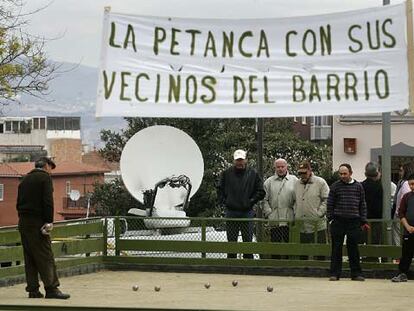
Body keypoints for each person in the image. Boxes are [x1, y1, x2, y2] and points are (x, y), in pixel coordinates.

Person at [16, 157, 70, 299]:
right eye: (51, 168)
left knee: (30, 258)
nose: (51, 172)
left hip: (23, 223)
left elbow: (18, 203)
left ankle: (33, 290)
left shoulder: (24, 179)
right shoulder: (44, 178)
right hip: (37, 223)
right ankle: (51, 289)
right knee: (45, 256)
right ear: (46, 166)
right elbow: (47, 201)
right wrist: (48, 221)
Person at [217, 149, 265, 259]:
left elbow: (261, 191)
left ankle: (248, 265)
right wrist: (226, 201)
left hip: (247, 212)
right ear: (234, 161)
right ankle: (231, 264)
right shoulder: (226, 173)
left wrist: (251, 201)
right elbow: (219, 189)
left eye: (241, 160)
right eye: (237, 160)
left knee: (247, 240)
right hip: (231, 211)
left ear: (246, 160)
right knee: (231, 241)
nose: (239, 162)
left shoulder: (253, 173)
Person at [327, 163, 367, 281]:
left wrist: (362, 219)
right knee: (336, 248)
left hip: (354, 221)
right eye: (341, 174)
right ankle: (334, 273)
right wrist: (331, 218)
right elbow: (330, 203)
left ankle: (356, 274)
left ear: (350, 173)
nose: (343, 176)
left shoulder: (358, 186)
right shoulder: (335, 186)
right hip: (338, 220)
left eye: (345, 173)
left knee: (353, 248)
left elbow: (362, 204)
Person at [294, 161, 329, 260]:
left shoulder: (320, 182)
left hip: (317, 225)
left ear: (310, 171)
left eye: (304, 172)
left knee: (320, 253)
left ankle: (321, 272)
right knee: (303, 253)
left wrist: (319, 213)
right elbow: (294, 200)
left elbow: (327, 199)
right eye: (300, 173)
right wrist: (296, 213)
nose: (302, 175)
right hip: (302, 225)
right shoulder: (297, 184)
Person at [263, 158, 297, 258]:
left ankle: (289, 266)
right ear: (275, 168)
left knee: (288, 244)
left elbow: (298, 198)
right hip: (275, 218)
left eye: (282, 166)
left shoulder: (294, 180)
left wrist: (295, 212)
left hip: (289, 218)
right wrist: (269, 213)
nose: (280, 169)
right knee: (275, 245)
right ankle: (275, 265)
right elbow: (264, 199)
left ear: (286, 167)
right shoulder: (268, 182)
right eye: (278, 167)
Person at [391, 173, 414, 282]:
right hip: (408, 231)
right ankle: (402, 273)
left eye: (413, 184)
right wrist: (408, 226)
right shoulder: (407, 196)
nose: (412, 187)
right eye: (410, 185)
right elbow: (401, 213)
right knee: (406, 254)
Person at [361, 162, 383, 256]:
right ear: (378, 173)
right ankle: (373, 260)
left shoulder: (361, 186)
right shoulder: (381, 186)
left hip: (362, 219)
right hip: (377, 220)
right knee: (374, 243)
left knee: (362, 242)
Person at [393, 162, 414, 246]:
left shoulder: (405, 184)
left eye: (401, 170)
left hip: (404, 219)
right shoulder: (403, 184)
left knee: (398, 238)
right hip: (404, 219)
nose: (399, 173)